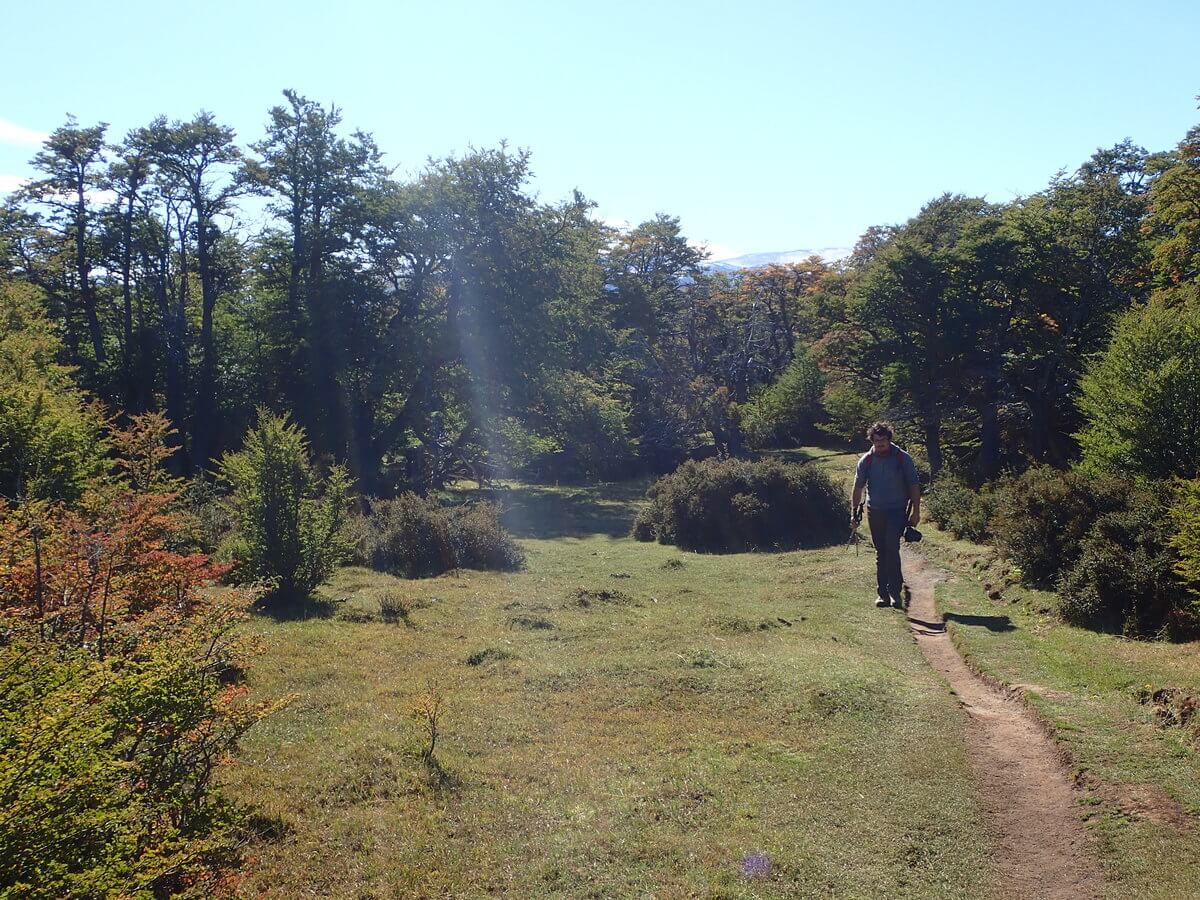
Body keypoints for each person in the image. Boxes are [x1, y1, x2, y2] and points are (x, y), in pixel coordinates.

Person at [851, 422, 921, 609]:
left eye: (883, 440)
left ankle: (895, 593)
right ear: (872, 441)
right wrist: (854, 513)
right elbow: (858, 488)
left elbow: (914, 485)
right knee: (881, 551)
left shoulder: (902, 458)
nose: (880, 444)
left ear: (889, 439)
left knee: (891, 546)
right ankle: (882, 594)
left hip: (897, 510)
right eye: (876, 441)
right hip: (875, 511)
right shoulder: (866, 460)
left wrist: (916, 511)